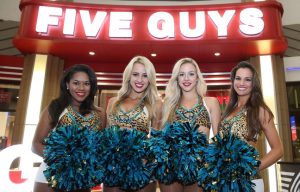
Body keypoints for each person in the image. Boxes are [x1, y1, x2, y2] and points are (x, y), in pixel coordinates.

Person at [32, 64, 106, 192]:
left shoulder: (100, 114)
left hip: (82, 180)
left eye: (86, 83)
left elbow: (101, 147)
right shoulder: (55, 108)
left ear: (91, 86)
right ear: (67, 84)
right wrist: (65, 161)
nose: (81, 88)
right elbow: (36, 144)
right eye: (76, 83)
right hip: (51, 178)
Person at [219, 61, 283, 191]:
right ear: (233, 81)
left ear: (253, 83)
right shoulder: (229, 110)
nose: (241, 83)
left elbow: (278, 150)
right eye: (238, 78)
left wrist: (252, 167)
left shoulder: (259, 109)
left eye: (247, 79)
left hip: (248, 182)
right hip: (225, 180)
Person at [160, 57, 221, 192]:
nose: (186, 78)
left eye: (191, 74)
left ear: (197, 78)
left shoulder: (210, 103)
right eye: (181, 74)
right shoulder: (168, 104)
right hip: (171, 168)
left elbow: (218, 140)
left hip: (200, 169)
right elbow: (161, 139)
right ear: (176, 78)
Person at [104, 55, 163, 192]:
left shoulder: (156, 104)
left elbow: (157, 140)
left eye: (145, 75)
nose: (140, 80)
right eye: (135, 74)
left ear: (150, 79)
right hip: (114, 166)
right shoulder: (113, 102)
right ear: (128, 76)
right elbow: (107, 136)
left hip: (142, 167)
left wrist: (146, 158)